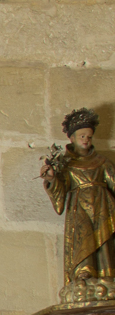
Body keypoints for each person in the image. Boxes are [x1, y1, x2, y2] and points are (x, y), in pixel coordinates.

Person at [41, 108, 115, 297]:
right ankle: (84, 275)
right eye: (82, 136)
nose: (86, 140)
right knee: (82, 240)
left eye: (89, 137)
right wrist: (51, 179)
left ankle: (106, 273)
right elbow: (61, 189)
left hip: (103, 206)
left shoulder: (102, 162)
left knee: (104, 240)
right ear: (72, 138)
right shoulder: (67, 165)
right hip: (79, 209)